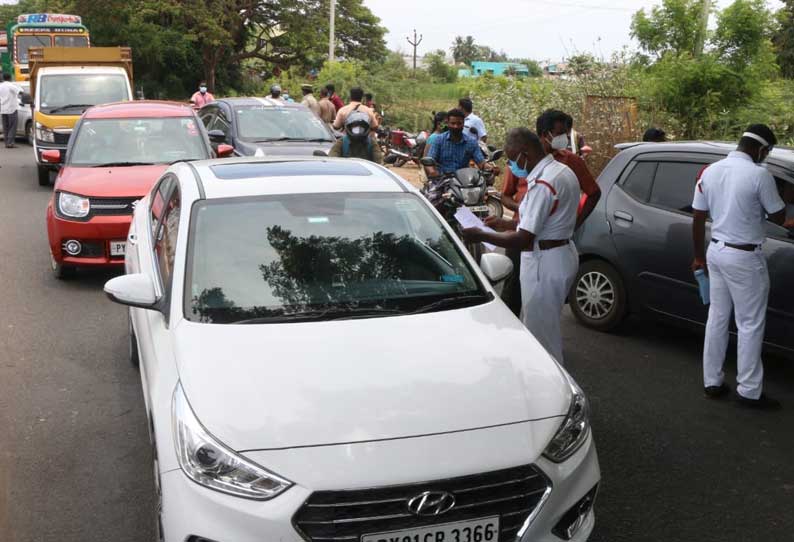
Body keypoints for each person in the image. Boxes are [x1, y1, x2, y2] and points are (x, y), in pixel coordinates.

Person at [462, 127, 580, 363]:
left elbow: (523, 238)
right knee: (546, 325)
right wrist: (502, 224)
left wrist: (481, 235)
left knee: (541, 338)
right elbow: (541, 223)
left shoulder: (544, 184)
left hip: (544, 261)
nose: (511, 165)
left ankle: (549, 386)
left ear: (525, 153)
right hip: (559, 252)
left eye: (512, 157)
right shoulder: (561, 171)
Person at [691, 124, 788, 410]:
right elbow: (780, 216)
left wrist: (698, 257)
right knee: (750, 324)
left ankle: (712, 381)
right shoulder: (759, 175)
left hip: (716, 252)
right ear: (760, 149)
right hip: (745, 258)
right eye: (766, 152)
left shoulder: (711, 171)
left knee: (717, 318)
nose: (765, 157)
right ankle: (749, 391)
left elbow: (697, 217)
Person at [424, 109, 487, 177]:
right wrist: (433, 172)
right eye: (453, 123)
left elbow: (481, 162)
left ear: (463, 124)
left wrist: (491, 168)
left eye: (459, 123)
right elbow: (429, 161)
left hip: (464, 182)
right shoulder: (438, 140)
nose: (456, 126)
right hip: (442, 182)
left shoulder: (471, 142)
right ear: (448, 123)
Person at [0, 73, 22, 148]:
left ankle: (7, 142)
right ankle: (10, 143)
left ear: (3, 77)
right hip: (11, 108)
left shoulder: (1, 86)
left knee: (5, 127)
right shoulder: (11, 85)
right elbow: (20, 92)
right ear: (10, 78)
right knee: (13, 126)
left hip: (3, 109)